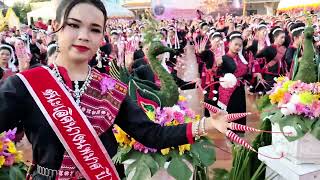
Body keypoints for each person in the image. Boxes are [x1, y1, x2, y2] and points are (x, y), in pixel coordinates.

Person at [0, 1, 229, 179]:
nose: (83, 35)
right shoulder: (25, 85)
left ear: (101, 37)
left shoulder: (111, 89)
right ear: (56, 27)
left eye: (95, 29)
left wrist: (208, 124)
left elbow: (152, 135)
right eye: (73, 24)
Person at [217, 31, 250, 136]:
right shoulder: (223, 58)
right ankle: (230, 133)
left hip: (239, 88)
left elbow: (246, 73)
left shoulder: (242, 58)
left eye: (240, 45)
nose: (238, 47)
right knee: (231, 111)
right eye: (235, 44)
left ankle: (240, 131)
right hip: (229, 90)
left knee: (240, 109)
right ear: (229, 44)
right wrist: (218, 65)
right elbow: (217, 74)